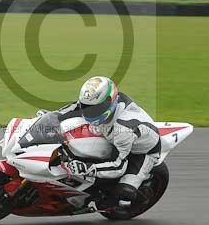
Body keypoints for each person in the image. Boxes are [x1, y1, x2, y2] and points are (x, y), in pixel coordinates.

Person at [55, 76, 160, 204]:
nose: (90, 112)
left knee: (124, 192)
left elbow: (119, 166)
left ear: (110, 102)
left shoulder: (123, 129)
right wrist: (50, 117)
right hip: (112, 133)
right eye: (87, 106)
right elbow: (72, 109)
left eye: (95, 108)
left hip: (141, 151)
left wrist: (87, 168)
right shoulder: (95, 102)